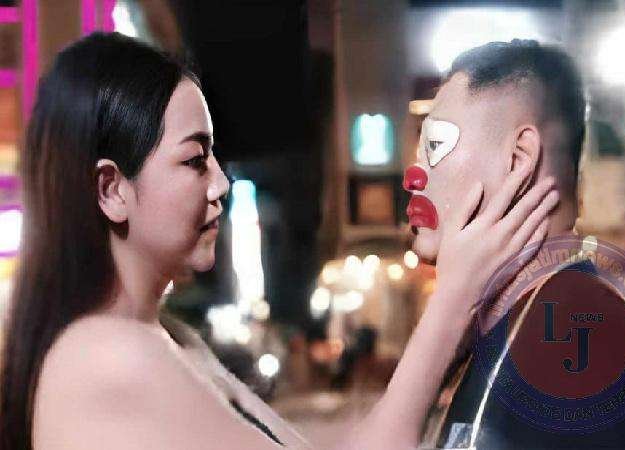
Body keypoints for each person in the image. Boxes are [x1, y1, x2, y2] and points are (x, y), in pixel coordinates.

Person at [0, 33, 558, 450]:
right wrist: (455, 297)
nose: (220, 184)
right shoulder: (107, 355)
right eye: (194, 160)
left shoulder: (163, 337)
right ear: (111, 189)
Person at [403, 40, 625, 449]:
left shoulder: (579, 342)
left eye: (434, 147)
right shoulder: (521, 324)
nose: (413, 176)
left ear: (518, 159)